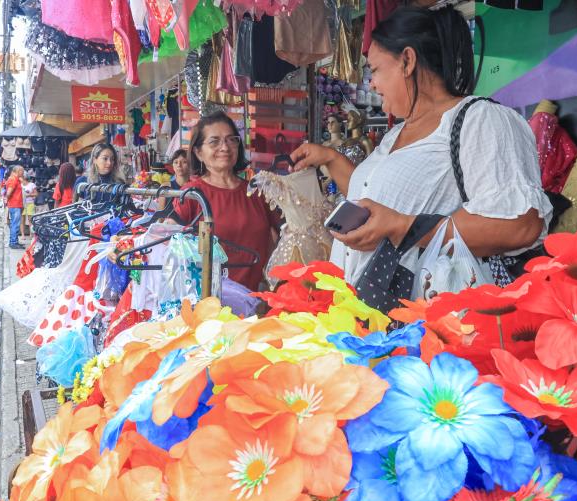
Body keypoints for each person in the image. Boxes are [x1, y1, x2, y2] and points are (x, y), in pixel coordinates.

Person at [291, 5, 552, 286]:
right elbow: (373, 195)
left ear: (407, 61)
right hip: (359, 318)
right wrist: (330, 158)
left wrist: (403, 227)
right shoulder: (396, 134)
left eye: (376, 70)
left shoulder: (480, 120)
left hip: (422, 321)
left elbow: (522, 225)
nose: (373, 84)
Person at [174, 112, 282, 291]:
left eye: (231, 140)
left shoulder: (257, 192)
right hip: (209, 304)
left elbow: (284, 237)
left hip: (256, 301)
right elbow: (169, 240)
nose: (225, 147)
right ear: (198, 152)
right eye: (214, 141)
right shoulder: (193, 195)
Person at [4, 165, 25, 249]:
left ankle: (14, 241)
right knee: (15, 224)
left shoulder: (15, 179)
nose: (23, 173)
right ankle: (13, 242)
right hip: (15, 205)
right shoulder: (13, 179)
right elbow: (8, 193)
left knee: (15, 224)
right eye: (22, 171)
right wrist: (8, 201)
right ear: (17, 171)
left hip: (16, 204)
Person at [21, 174, 37, 240]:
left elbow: (36, 194)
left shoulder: (32, 185)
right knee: (22, 220)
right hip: (21, 204)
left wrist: (28, 195)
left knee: (31, 220)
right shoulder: (20, 185)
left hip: (30, 203)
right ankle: (22, 235)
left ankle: (31, 234)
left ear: (25, 178)